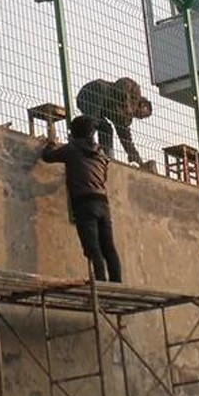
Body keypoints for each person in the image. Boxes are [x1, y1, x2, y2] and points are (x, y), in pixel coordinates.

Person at [41, 115, 122, 283]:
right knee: (109, 248)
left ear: (73, 133)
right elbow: (102, 176)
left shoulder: (72, 149)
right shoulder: (101, 154)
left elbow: (47, 157)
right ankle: (117, 284)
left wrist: (51, 142)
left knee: (93, 248)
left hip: (84, 203)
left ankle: (100, 285)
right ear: (92, 133)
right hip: (103, 203)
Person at [76, 77, 152, 164]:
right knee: (93, 121)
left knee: (106, 129)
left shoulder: (125, 118)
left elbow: (126, 140)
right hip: (94, 90)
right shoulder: (135, 91)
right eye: (142, 115)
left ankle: (108, 157)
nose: (140, 117)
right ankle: (81, 147)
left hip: (90, 104)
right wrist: (127, 105)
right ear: (143, 105)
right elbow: (122, 84)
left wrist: (138, 161)